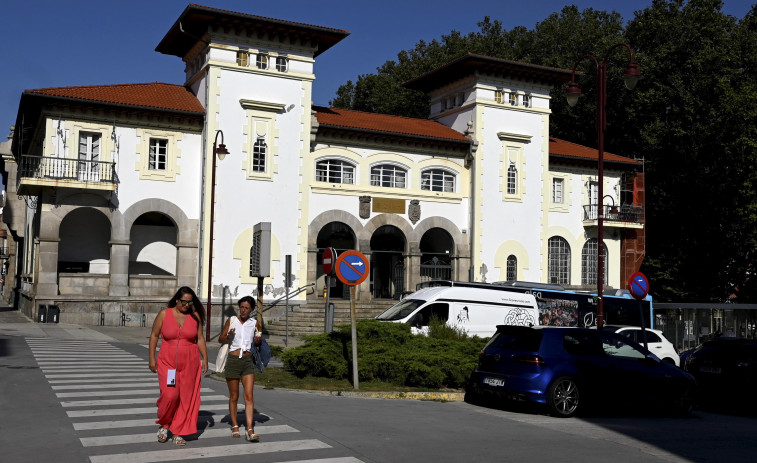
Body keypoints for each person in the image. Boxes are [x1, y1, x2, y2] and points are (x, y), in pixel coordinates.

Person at [149, 286, 209, 446]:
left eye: (190, 302)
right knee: (170, 395)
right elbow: (154, 336)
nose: (187, 305)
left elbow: (200, 339)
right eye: (184, 302)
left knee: (186, 398)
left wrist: (205, 358)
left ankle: (177, 431)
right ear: (177, 299)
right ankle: (165, 424)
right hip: (168, 364)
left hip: (190, 362)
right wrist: (151, 359)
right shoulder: (164, 314)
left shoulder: (195, 316)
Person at [218, 295, 262, 442]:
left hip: (247, 361)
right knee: (234, 396)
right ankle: (235, 425)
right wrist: (228, 337)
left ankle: (250, 429)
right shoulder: (232, 321)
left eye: (246, 308)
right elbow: (221, 339)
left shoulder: (255, 323)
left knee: (249, 396)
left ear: (252, 310)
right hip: (233, 360)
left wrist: (258, 341)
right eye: (241, 307)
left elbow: (258, 342)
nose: (243, 310)